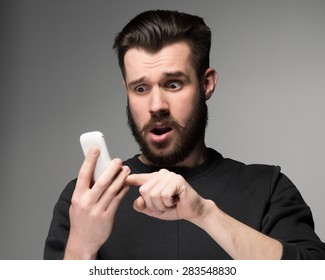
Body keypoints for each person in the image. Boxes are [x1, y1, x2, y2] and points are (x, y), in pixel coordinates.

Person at [44, 10, 325, 260]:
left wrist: (204, 214)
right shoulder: (85, 201)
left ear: (207, 84)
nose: (156, 106)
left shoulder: (268, 188)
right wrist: (81, 244)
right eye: (140, 89)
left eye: (173, 84)